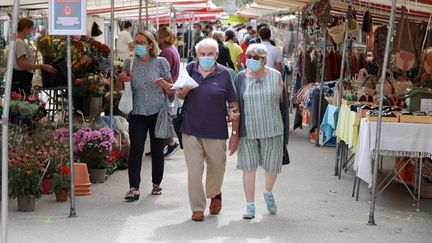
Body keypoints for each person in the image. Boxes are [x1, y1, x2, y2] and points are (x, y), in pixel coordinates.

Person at [176, 38, 240, 221]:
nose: (205, 57)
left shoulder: (225, 74)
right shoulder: (189, 69)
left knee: (217, 167)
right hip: (191, 128)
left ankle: (215, 193)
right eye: (202, 54)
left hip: (216, 129)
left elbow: (233, 103)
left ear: (217, 55)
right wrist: (182, 92)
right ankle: (197, 207)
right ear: (197, 55)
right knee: (194, 171)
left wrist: (234, 134)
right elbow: (178, 94)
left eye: (209, 54)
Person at [119, 31, 173, 201]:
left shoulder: (160, 62)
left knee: (157, 150)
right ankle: (133, 187)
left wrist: (165, 84)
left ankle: (156, 183)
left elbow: (172, 90)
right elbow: (120, 88)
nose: (138, 45)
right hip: (137, 112)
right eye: (136, 42)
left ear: (150, 45)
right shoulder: (130, 63)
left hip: (157, 111)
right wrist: (122, 78)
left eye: (142, 42)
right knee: (136, 149)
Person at [233, 44, 285, 219]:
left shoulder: (276, 76)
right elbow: (233, 103)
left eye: (256, 57)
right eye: (249, 56)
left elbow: (282, 105)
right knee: (248, 167)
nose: (252, 60)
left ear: (264, 59)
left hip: (272, 129)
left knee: (272, 167)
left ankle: (268, 192)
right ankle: (250, 205)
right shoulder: (240, 77)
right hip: (248, 130)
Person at [13, 18, 56, 94]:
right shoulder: (19, 43)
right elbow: (24, 64)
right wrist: (42, 66)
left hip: (22, 79)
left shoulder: (19, 41)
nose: (32, 32)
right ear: (26, 28)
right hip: (21, 79)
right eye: (31, 29)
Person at [157, 26, 181, 158]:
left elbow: (162, 73)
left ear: (162, 38)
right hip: (170, 89)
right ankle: (161, 145)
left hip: (165, 90)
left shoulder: (166, 52)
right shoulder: (173, 50)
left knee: (161, 121)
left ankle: (171, 143)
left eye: (158, 37)